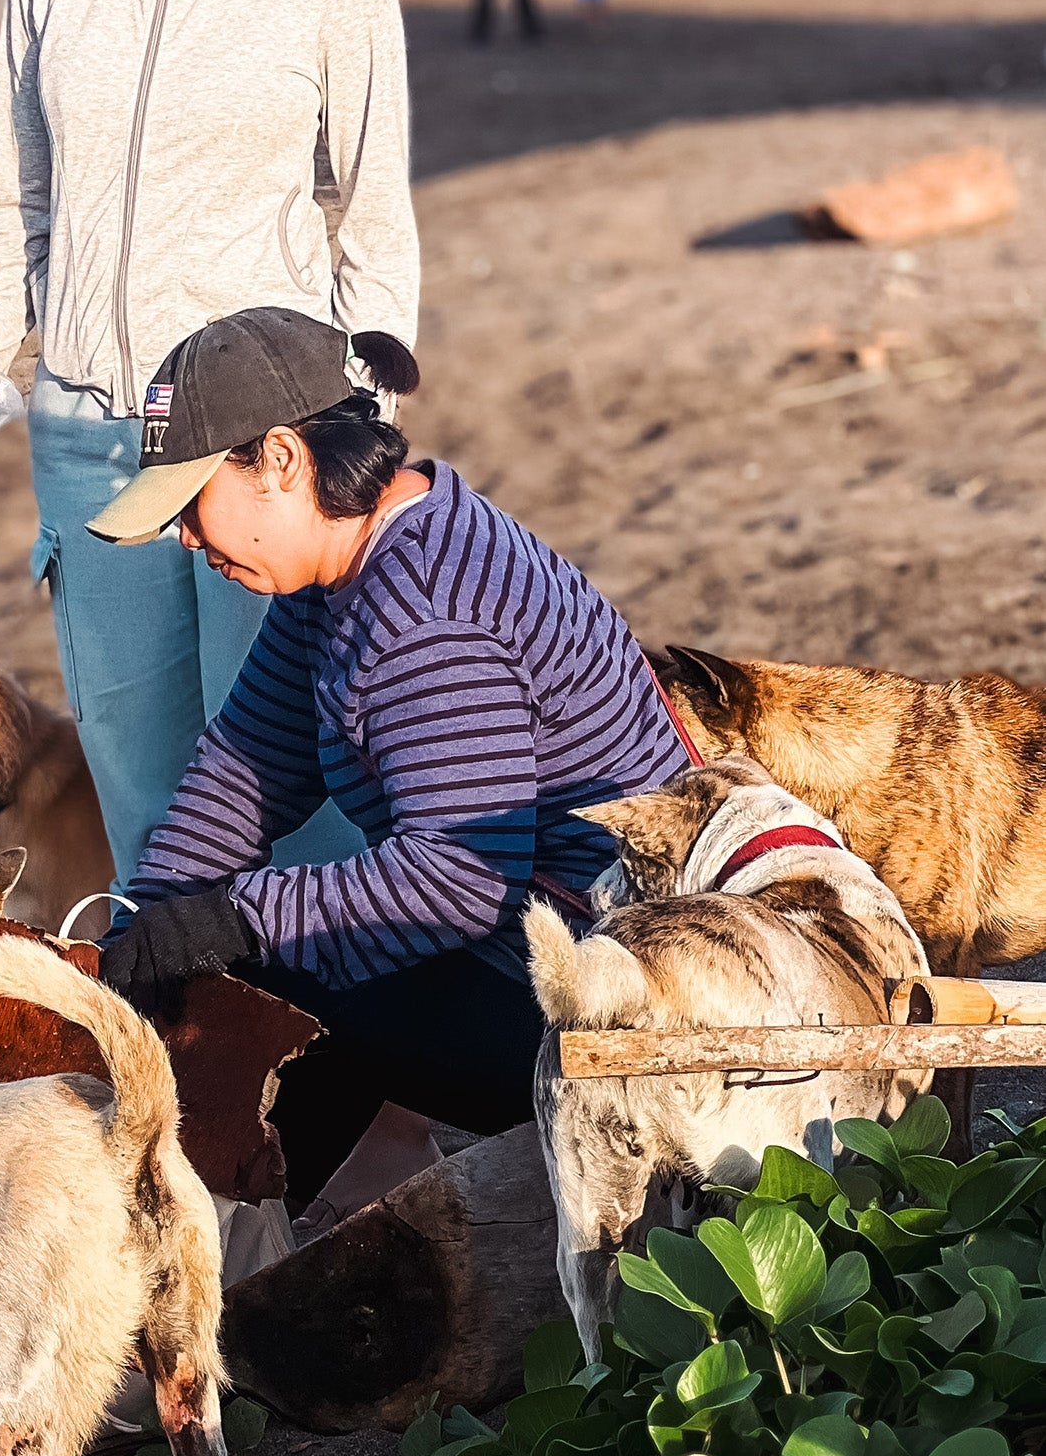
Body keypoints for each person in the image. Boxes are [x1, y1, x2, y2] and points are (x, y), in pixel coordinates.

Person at [0, 0, 418, 888]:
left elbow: (371, 210)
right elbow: (16, 211)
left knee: (295, 782)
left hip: (266, 441)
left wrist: (356, 430)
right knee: (145, 788)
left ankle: (342, 1061)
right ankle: (191, 1058)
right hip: (89, 437)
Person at [88, 306, 685, 1202]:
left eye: (190, 504)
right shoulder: (340, 566)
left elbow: (456, 884)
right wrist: (147, 923)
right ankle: (236, 1235)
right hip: (531, 939)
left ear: (282, 461)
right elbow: (248, 765)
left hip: (622, 1001)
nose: (184, 538)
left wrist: (225, 923)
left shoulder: (420, 612)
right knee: (231, 953)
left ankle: (204, 1249)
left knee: (271, 977)